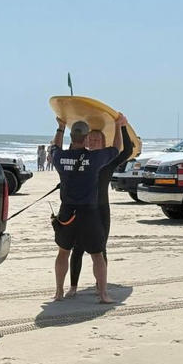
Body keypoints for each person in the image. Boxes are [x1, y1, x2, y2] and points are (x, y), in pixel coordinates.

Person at [50, 114, 125, 303]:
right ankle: (103, 294)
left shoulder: (60, 158)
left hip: (67, 212)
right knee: (97, 254)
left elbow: (54, 147)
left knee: (63, 252)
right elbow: (116, 149)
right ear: (85, 139)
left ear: (71, 137)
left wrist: (60, 127)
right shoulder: (94, 158)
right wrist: (118, 125)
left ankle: (59, 292)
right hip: (89, 212)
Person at [65, 123, 134, 298]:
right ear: (86, 140)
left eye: (98, 139)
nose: (94, 141)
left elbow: (127, 151)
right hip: (83, 208)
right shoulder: (82, 158)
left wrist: (123, 127)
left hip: (101, 210)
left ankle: (100, 285)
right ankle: (73, 286)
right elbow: (69, 152)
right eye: (91, 138)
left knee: (101, 249)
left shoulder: (108, 160)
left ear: (104, 143)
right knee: (77, 248)